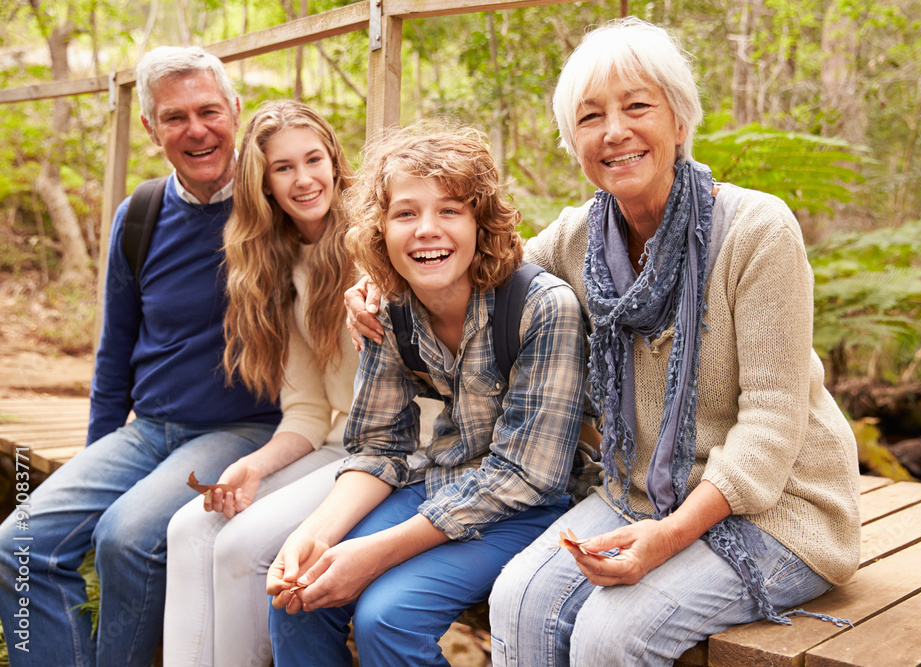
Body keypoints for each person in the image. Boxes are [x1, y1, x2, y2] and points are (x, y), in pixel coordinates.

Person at [348, 18, 861, 666]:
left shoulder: (756, 231)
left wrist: (666, 538)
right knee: (516, 599)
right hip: (637, 491)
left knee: (610, 635)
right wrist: (378, 286)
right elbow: (472, 275)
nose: (614, 130)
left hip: (780, 507)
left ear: (679, 120)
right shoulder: (579, 237)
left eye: (637, 106)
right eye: (591, 116)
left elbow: (771, 424)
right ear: (575, 142)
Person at [266, 125, 595, 666]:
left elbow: (528, 476)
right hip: (440, 481)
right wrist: (313, 534)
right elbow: (378, 446)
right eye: (404, 214)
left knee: (386, 618)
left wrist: (370, 554)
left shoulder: (541, 307)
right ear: (381, 229)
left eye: (449, 211)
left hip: (527, 508)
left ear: (479, 222)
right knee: (298, 592)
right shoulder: (390, 308)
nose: (426, 231)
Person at [0, 46, 282, 667]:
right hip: (149, 429)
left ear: (236, 111)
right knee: (18, 542)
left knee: (125, 539)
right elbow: (115, 350)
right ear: (152, 130)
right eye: (175, 117)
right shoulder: (142, 214)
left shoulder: (277, 206)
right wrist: (98, 449)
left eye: (209, 110)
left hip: (242, 427)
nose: (197, 129)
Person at [161, 101, 359, 667]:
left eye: (314, 159)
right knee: (191, 528)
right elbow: (307, 412)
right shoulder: (279, 263)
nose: (304, 179)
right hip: (334, 448)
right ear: (264, 183)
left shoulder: (375, 244)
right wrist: (252, 467)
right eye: (283, 168)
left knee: (243, 548)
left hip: (396, 454)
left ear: (335, 161)